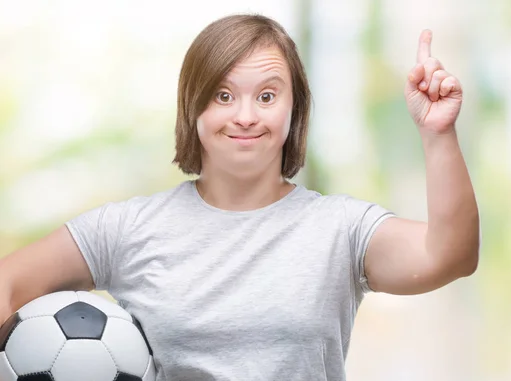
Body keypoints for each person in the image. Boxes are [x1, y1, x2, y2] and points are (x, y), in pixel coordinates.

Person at [0, 14, 479, 381]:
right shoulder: (127, 229)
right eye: (224, 96)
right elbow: (8, 283)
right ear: (193, 107)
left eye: (267, 96)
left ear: (295, 109)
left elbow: (450, 255)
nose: (246, 116)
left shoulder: (341, 228)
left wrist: (438, 134)